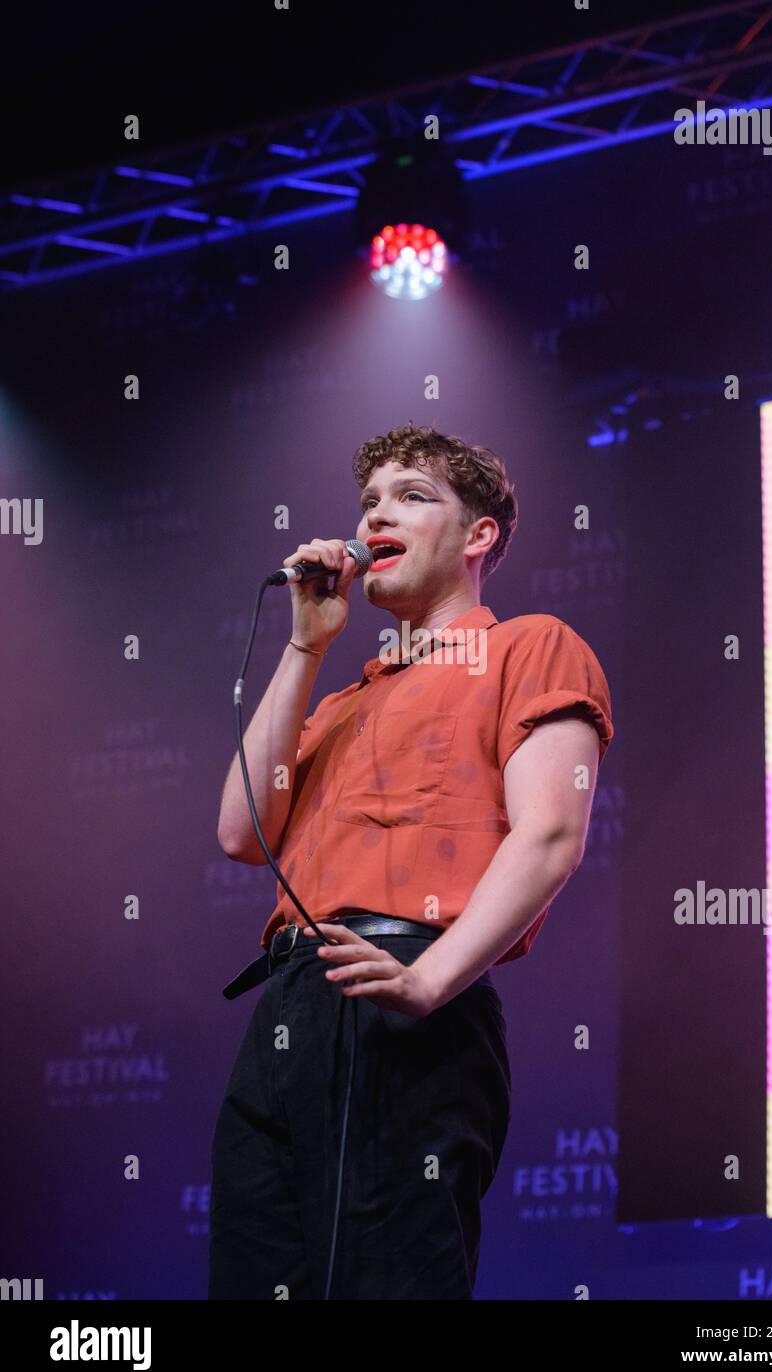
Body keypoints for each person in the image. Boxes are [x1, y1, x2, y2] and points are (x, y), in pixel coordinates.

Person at [208, 422, 614, 1300]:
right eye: (369, 500)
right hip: (289, 1008)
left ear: (479, 537)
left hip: (409, 994)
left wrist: (432, 981)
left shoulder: (529, 645)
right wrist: (306, 645)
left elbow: (549, 835)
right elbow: (242, 831)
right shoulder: (346, 696)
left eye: (412, 495)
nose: (377, 512)